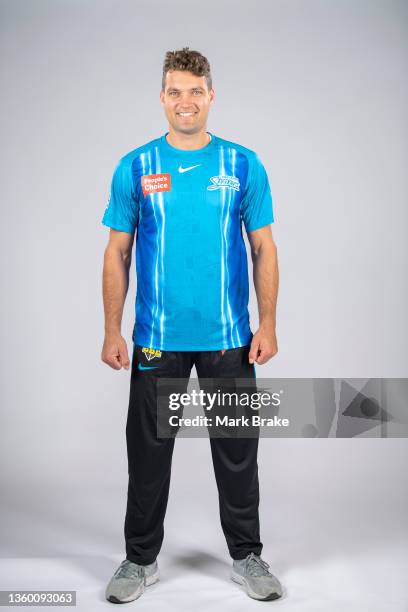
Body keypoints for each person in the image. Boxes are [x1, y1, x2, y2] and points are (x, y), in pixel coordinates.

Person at [101, 47, 282, 603]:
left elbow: (264, 248)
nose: (185, 101)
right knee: (148, 456)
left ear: (211, 96)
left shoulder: (241, 164)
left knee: (237, 450)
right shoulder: (136, 165)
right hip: (157, 340)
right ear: (162, 97)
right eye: (175, 91)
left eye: (195, 91)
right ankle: (139, 560)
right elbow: (117, 253)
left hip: (229, 339)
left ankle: (247, 556)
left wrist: (268, 324)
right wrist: (113, 329)